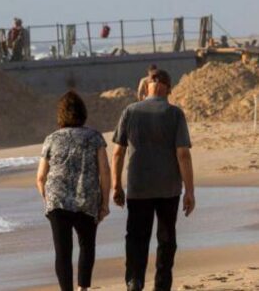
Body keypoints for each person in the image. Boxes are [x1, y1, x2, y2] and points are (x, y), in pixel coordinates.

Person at [112, 69, 195, 291]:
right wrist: (189, 191)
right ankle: (161, 285)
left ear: (147, 86)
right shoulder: (175, 113)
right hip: (168, 188)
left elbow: (118, 152)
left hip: (138, 187)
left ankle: (134, 279)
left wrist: (116, 185)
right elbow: (183, 154)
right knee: (166, 237)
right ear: (168, 88)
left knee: (136, 236)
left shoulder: (130, 111)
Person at [37, 92, 111, 291]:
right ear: (83, 113)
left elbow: (41, 177)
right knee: (87, 245)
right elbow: (105, 170)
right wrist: (105, 203)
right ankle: (83, 289)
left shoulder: (51, 139)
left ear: (60, 115)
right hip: (86, 198)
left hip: (58, 200)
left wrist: (48, 199)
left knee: (62, 251)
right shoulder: (94, 137)